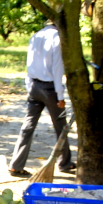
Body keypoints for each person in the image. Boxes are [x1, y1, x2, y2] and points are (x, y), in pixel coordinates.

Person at [8, 21, 75, 177]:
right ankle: (64, 162)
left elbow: (29, 63)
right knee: (61, 124)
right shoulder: (57, 38)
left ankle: (16, 164)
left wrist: (29, 86)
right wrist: (60, 95)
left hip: (34, 85)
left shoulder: (35, 36)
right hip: (50, 88)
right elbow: (57, 68)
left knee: (28, 125)